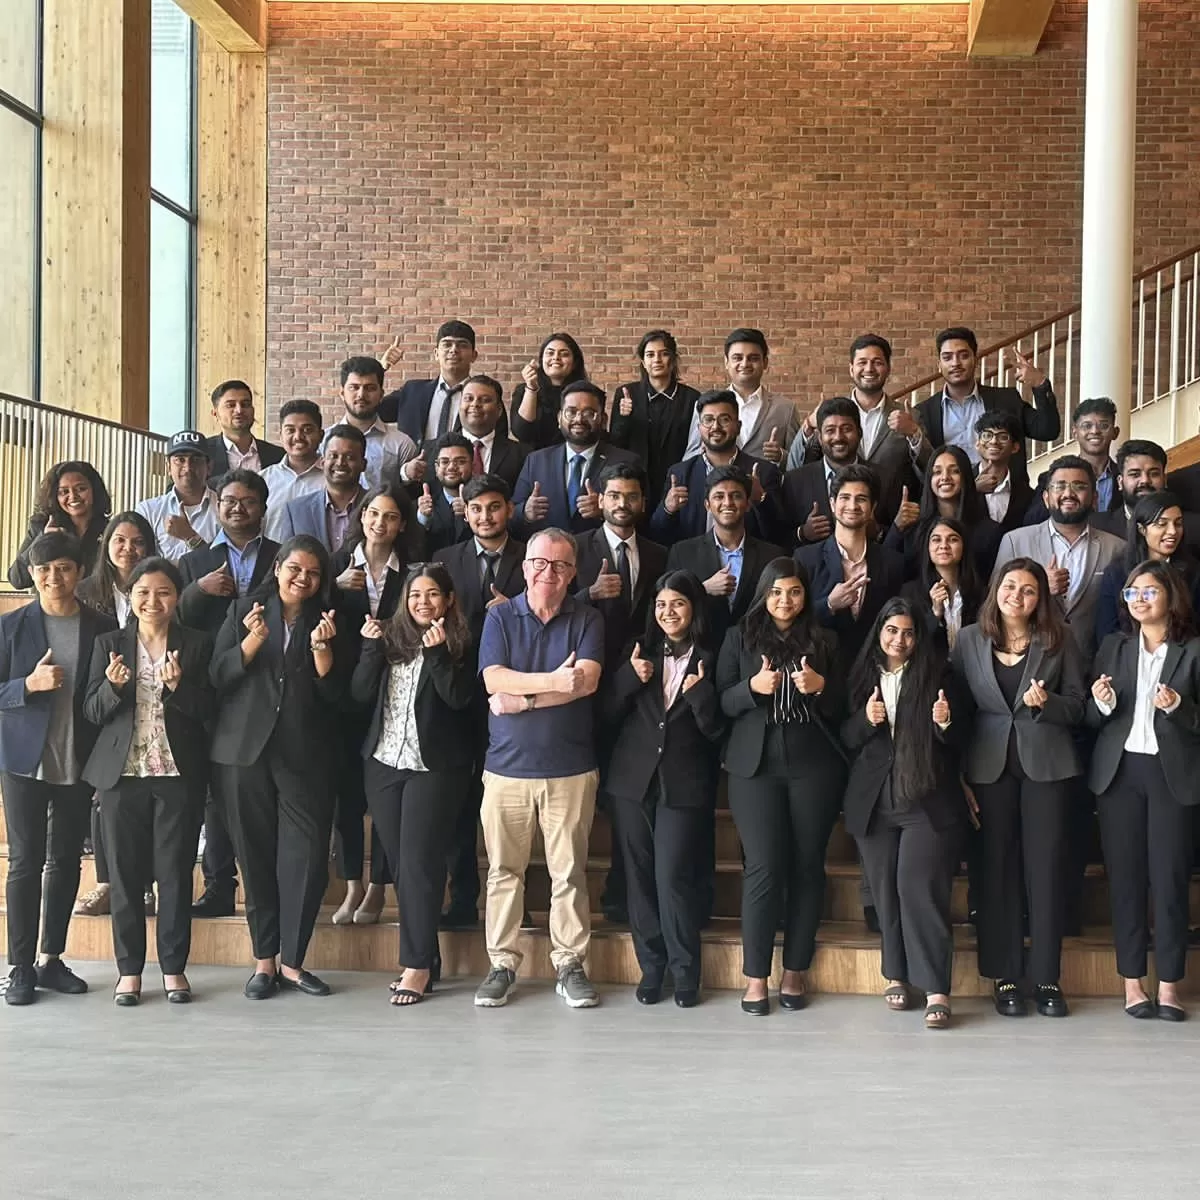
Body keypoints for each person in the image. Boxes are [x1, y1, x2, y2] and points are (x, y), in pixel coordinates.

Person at [209, 535, 351, 999]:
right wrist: (251, 643)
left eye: (312, 572)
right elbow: (218, 677)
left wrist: (323, 654)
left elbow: (339, 698)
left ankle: (293, 962)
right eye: (295, 569)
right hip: (244, 751)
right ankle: (263, 962)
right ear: (277, 567)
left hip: (306, 756)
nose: (302, 579)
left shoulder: (331, 619)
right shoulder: (243, 610)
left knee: (307, 860)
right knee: (254, 856)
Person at [473, 529, 604, 1009]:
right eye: (540, 563)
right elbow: (493, 679)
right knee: (504, 871)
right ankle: (502, 964)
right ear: (525, 567)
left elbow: (586, 683)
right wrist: (551, 684)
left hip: (570, 769)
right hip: (505, 770)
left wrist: (518, 701)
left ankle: (569, 964)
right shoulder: (500, 617)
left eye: (561, 565)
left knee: (568, 873)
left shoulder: (588, 618)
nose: (549, 573)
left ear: (573, 573)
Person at [950, 557, 1085, 1018]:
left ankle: (1047, 977)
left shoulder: (1059, 639)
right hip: (987, 767)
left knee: (1045, 871)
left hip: (1047, 765)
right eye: (1010, 586)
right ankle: (1005, 975)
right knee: (995, 870)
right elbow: (957, 710)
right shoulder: (968, 639)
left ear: (1040, 598)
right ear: (995, 590)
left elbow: (1079, 707)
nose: (1018, 596)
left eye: (1029, 590)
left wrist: (1047, 705)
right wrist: (958, 773)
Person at [716, 557, 846, 1015]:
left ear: (805, 595)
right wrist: (752, 687)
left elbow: (846, 706)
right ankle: (756, 978)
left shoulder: (826, 640)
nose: (784, 600)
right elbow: (721, 701)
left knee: (808, 867)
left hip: (815, 766)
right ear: (763, 595)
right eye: (775, 592)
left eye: (793, 592)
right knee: (764, 868)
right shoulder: (739, 638)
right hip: (755, 768)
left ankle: (795, 971)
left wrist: (821, 686)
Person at [81, 558, 213, 1005]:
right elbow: (92, 712)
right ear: (130, 597)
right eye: (143, 593)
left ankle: (174, 970)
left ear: (176, 598)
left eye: (162, 592)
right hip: (122, 777)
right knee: (124, 876)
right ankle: (129, 972)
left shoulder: (196, 645)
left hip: (177, 775)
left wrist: (179, 689)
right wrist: (114, 687)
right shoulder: (109, 644)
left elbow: (211, 712)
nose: (152, 601)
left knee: (175, 875)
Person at [351, 564, 476, 1005]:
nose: (423, 602)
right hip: (384, 761)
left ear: (449, 600)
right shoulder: (389, 641)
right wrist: (368, 648)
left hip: (436, 767)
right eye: (415, 595)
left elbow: (459, 700)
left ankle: (416, 966)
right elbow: (360, 695)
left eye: (433, 595)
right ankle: (427, 957)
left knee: (420, 863)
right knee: (403, 866)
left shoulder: (461, 644)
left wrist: (439, 654)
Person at [1, 532, 116, 1006]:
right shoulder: (11, 626)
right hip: (25, 761)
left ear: (80, 571)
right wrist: (27, 684)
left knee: (66, 861)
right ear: (31, 573)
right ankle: (19, 967)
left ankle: (52, 959)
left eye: (64, 567)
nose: (54, 577)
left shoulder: (102, 626)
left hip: (78, 760)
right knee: (27, 861)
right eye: (44, 569)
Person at [842, 599, 968, 1030]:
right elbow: (846, 735)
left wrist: (945, 722)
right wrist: (866, 719)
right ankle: (896, 975)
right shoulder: (861, 675)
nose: (899, 639)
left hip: (925, 802)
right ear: (879, 631)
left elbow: (963, 735)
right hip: (874, 802)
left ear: (918, 637)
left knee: (918, 890)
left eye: (908, 632)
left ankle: (936, 988)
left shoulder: (940, 674)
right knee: (884, 892)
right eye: (892, 630)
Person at [601, 569, 723, 1007]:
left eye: (678, 604)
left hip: (684, 783)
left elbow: (718, 732)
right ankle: (651, 969)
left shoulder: (713, 657)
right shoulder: (638, 653)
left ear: (693, 610)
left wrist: (701, 697)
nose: (669, 612)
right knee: (639, 879)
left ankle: (686, 973)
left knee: (672, 877)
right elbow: (607, 711)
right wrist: (629, 678)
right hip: (631, 781)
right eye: (661, 605)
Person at [1088, 560, 1200, 1021]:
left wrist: (1179, 707)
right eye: (1132, 593)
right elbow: (1093, 718)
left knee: (1170, 880)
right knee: (1128, 881)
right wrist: (1101, 702)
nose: (1139, 600)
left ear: (1171, 597)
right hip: (1119, 774)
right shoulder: (1113, 647)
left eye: (1149, 592)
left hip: (1172, 775)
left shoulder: (1193, 651)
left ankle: (1171, 985)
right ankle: (1133, 984)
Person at [432, 474, 526, 928]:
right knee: (458, 804)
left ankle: (515, 903)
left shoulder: (532, 556)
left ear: (509, 509)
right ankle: (464, 898)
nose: (485, 516)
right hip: (457, 695)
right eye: (476, 509)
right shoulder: (444, 560)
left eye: (494, 507)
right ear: (464, 513)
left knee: (510, 801)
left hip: (515, 695)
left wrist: (513, 610)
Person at [328, 482, 414, 924]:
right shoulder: (336, 566)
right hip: (344, 693)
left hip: (395, 695)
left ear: (401, 525)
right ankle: (352, 886)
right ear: (361, 517)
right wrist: (334, 586)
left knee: (384, 794)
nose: (381, 523)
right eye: (374, 514)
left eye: (391, 516)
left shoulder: (412, 572)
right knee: (346, 793)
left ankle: (379, 886)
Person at [73, 510, 159, 920]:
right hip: (101, 699)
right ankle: (108, 882)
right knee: (103, 796)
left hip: (152, 703)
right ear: (106, 545)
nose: (129, 549)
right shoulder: (88, 590)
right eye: (120, 540)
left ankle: (145, 886)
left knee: (145, 800)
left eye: (138, 541)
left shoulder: (160, 585)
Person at [994, 454, 1126, 657]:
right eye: (1059, 486)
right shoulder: (1014, 541)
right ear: (1046, 498)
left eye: (1079, 486)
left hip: (1093, 664)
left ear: (1094, 499)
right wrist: (1039, 586)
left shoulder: (1117, 548)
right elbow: (994, 604)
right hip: (1030, 658)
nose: (1068, 493)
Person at [785, 334, 929, 496]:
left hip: (890, 512)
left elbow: (929, 472)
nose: (869, 369)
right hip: (839, 511)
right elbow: (795, 467)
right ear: (851, 369)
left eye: (877, 362)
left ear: (888, 368)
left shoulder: (910, 417)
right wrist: (808, 427)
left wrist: (914, 434)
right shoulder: (832, 415)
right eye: (862, 362)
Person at [665, 465, 786, 651]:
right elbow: (667, 606)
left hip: (754, 654)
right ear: (707, 505)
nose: (728, 503)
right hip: (698, 652)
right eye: (719, 496)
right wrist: (703, 589)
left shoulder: (772, 555)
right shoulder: (682, 552)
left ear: (747, 504)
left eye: (736, 496)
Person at [798, 463, 906, 670]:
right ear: (832, 503)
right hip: (821, 673)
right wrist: (829, 604)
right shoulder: (805, 558)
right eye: (845, 498)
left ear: (873, 507)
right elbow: (793, 620)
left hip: (875, 672)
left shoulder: (893, 562)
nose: (852, 506)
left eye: (861, 499)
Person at [914, 328, 1060, 479]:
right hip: (951, 497)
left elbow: (1047, 431)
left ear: (975, 360)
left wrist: (1040, 384)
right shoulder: (924, 412)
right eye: (947, 358)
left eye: (964, 356)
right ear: (939, 365)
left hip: (1004, 495)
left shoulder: (1007, 400)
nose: (955, 363)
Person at [649, 390, 782, 547]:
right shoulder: (680, 474)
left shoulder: (763, 472)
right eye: (708, 420)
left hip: (748, 566)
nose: (716, 427)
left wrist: (761, 501)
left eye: (724, 420)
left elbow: (778, 535)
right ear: (699, 428)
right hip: (694, 566)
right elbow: (656, 535)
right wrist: (668, 510)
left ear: (738, 426)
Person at [511, 380, 639, 539]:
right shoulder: (536, 460)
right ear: (559, 418)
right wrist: (525, 512)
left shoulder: (626, 461)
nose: (579, 419)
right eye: (571, 412)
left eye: (588, 413)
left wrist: (604, 512)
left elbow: (642, 519)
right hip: (549, 558)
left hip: (601, 556)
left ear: (603, 419)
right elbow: (511, 515)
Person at [783, 396, 904, 546]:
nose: (838, 437)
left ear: (859, 433)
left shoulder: (886, 478)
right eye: (830, 430)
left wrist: (877, 532)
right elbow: (779, 538)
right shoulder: (795, 481)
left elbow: (901, 540)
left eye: (846, 429)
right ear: (820, 438)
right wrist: (803, 533)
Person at [607, 330, 700, 510]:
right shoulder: (627, 394)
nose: (657, 360)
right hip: (635, 485)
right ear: (643, 361)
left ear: (672, 360)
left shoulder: (691, 398)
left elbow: (694, 447)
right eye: (650, 355)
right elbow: (616, 444)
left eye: (664, 354)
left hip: (676, 484)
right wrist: (624, 418)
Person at [178, 469, 279, 633]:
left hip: (269, 652)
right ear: (218, 507)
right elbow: (179, 617)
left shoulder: (281, 556)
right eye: (230, 501)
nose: (238, 508)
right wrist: (199, 589)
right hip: (211, 655)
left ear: (263, 509)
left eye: (248, 501)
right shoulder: (192, 561)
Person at [884, 445, 1003, 580]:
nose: (945, 477)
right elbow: (886, 570)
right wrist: (896, 527)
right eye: (937, 472)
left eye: (954, 471)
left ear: (966, 477)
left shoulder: (989, 531)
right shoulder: (914, 527)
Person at [1095, 492, 1200, 643]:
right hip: (1129, 660)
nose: (1172, 531)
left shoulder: (1194, 572)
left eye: (1178, 523)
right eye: (1161, 524)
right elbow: (1106, 633)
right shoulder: (1117, 573)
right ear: (1142, 529)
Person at [682, 328, 799, 464]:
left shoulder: (785, 409)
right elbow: (689, 457)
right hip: (717, 483)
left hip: (765, 484)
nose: (744, 364)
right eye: (737, 358)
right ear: (726, 362)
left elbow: (799, 462)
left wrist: (781, 456)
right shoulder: (706, 406)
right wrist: (703, 451)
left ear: (765, 362)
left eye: (753, 358)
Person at [380, 320, 487, 443]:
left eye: (462, 345)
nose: (454, 350)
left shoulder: (485, 397)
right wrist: (380, 369)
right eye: (447, 344)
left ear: (474, 355)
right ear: (436, 353)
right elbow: (369, 411)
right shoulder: (412, 392)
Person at [9, 460, 111, 589]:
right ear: (54, 496)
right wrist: (43, 538)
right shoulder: (41, 526)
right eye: (64, 492)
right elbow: (18, 579)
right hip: (52, 606)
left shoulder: (110, 530)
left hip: (95, 607)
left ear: (94, 491)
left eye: (81, 489)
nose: (73, 496)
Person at [267, 424, 367, 552]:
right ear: (323, 462)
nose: (340, 463)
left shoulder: (376, 506)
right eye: (333, 456)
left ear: (363, 465)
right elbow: (287, 561)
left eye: (350, 457)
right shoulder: (296, 511)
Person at [1023, 398, 1120, 525]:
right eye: (1087, 426)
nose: (1095, 431)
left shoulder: (1125, 476)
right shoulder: (1050, 478)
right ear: (1075, 433)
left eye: (1103, 426)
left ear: (1115, 432)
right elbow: (1032, 521)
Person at [327, 355, 419, 488]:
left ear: (381, 394)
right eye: (354, 387)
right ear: (342, 393)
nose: (361, 395)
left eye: (370, 388)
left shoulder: (402, 444)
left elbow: (410, 495)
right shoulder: (324, 440)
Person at [899, 516, 984, 651]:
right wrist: (935, 613)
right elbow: (908, 644)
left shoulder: (980, 593)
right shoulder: (910, 593)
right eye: (936, 540)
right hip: (930, 670)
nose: (944, 545)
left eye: (953, 539)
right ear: (928, 547)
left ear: (964, 547)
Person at [136, 431, 220, 562]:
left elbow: (227, 565)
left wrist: (190, 536)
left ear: (209, 467)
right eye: (180, 460)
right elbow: (139, 563)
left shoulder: (225, 508)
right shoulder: (148, 510)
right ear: (168, 467)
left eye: (196, 460)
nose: (188, 468)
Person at [509, 332, 587, 449]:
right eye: (550, 353)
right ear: (541, 360)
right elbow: (522, 432)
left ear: (575, 362)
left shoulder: (584, 393)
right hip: (533, 460)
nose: (556, 358)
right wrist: (531, 388)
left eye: (564, 354)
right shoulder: (524, 390)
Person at [1090, 439, 1175, 539]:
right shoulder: (1097, 527)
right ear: (1120, 482)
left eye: (1154, 474)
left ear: (1165, 480)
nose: (1145, 481)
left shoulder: (1190, 528)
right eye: (1135, 474)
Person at [454, 374, 526, 489]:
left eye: (485, 400)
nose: (475, 404)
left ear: (499, 410)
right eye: (469, 398)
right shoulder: (433, 451)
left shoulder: (521, 455)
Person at [203, 380, 284, 476]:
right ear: (215, 414)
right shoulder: (204, 453)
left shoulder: (278, 456)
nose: (239, 410)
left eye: (245, 404)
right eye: (230, 405)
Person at [259, 400, 326, 514]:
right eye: (290, 430)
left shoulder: (333, 478)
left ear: (321, 435)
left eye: (307, 430)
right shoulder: (264, 480)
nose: (298, 437)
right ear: (280, 436)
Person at [973, 410, 1035, 533]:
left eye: (1003, 437)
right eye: (987, 435)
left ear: (1015, 447)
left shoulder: (1026, 494)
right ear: (977, 443)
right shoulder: (962, 482)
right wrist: (972, 489)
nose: (994, 441)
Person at [415, 432, 473, 554]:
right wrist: (424, 519)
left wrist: (471, 514)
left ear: (473, 465)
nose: (451, 467)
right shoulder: (424, 502)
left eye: (460, 461)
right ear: (436, 468)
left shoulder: (484, 500)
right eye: (445, 461)